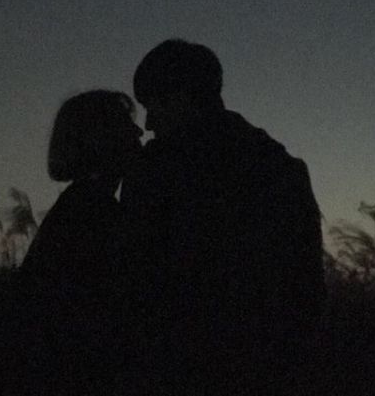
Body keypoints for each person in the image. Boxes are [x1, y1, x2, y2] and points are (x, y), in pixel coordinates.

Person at [120, 39, 325, 395]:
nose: (149, 123)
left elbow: (136, 287)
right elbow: (306, 290)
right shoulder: (281, 167)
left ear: (184, 96)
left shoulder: (155, 171)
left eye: (155, 104)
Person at [2, 90, 143, 396]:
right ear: (99, 137)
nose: (139, 131)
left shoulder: (81, 205)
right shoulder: (93, 212)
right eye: (124, 124)